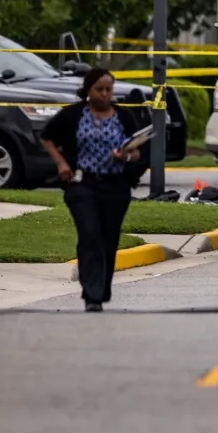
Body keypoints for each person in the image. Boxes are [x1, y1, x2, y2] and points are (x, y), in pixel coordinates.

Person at [39, 68, 147, 312]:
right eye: (99, 89)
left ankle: (101, 289)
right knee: (89, 234)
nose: (105, 94)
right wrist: (61, 162)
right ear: (88, 90)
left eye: (109, 89)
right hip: (82, 184)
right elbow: (46, 137)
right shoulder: (74, 115)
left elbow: (139, 152)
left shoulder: (123, 116)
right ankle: (92, 295)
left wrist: (125, 155)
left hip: (115, 186)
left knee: (108, 239)